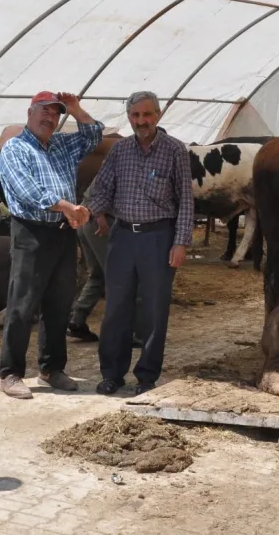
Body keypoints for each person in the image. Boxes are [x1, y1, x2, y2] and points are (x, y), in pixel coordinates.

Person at [0, 91, 104, 399]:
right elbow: (27, 191)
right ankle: (11, 373)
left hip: (62, 231)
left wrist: (76, 108)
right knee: (22, 304)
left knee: (59, 303)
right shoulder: (15, 148)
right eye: (44, 111)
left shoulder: (62, 144)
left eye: (55, 113)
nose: (50, 118)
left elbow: (95, 134)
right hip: (32, 232)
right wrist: (67, 207)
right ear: (30, 113)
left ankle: (51, 368)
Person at [86, 91, 194, 396]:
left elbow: (186, 201)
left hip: (158, 238)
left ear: (157, 115)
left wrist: (181, 243)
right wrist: (92, 211)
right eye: (135, 115)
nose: (141, 121)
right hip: (122, 238)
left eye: (147, 114)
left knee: (154, 309)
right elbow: (102, 188)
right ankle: (112, 374)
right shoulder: (120, 151)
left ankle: (147, 376)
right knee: (116, 308)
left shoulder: (175, 150)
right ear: (129, 118)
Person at [68, 174, 149, 349]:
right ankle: (127, 332)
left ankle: (77, 318)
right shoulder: (121, 165)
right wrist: (100, 217)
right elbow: (98, 193)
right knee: (122, 277)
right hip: (100, 223)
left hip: (88, 221)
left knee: (98, 275)